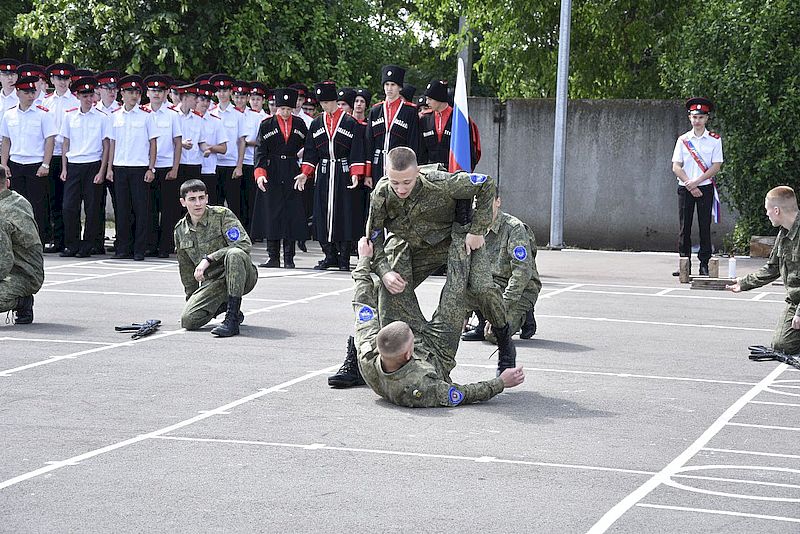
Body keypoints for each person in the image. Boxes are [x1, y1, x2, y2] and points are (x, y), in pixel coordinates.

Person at [328, 146, 517, 387]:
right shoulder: (382, 194)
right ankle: (369, 358)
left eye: (407, 181)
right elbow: (373, 239)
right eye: (395, 183)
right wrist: (385, 273)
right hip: (411, 246)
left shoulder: (442, 182)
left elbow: (486, 184)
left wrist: (477, 230)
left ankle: (504, 342)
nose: (401, 189)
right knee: (380, 290)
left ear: (417, 171)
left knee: (482, 289)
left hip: (453, 240)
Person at [351, 236, 525, 407]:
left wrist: (364, 259)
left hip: (405, 344)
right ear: (408, 354)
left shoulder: (368, 353)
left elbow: (362, 302)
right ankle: (466, 233)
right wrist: (501, 382)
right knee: (457, 286)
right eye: (412, 339)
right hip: (439, 351)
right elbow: (463, 393)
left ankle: (414, 231)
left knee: (395, 265)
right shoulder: (420, 387)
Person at [295, 81, 366, 271]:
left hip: (342, 172)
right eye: (322, 103)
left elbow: (357, 150)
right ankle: (329, 255)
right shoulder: (317, 123)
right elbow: (310, 152)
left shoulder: (351, 123)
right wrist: (305, 173)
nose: (325, 106)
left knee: (343, 214)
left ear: (335, 100)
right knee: (322, 214)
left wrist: (355, 173)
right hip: (325, 173)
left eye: (327, 102)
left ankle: (343, 257)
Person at [174, 179, 258, 337]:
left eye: (201, 198)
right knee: (189, 320)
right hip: (214, 282)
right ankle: (223, 304)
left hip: (242, 276)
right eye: (192, 199)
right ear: (183, 202)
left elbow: (244, 245)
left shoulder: (222, 215)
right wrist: (193, 300)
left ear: (207, 198)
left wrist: (209, 259)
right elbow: (186, 270)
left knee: (235, 253)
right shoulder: (180, 230)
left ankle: (232, 319)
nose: (198, 203)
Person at [727, 186, 800, 354]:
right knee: (782, 346)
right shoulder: (784, 234)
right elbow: (772, 268)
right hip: (796, 299)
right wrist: (743, 283)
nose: (766, 214)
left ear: (776, 210)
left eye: (767, 210)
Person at [461, 195, 542, 341]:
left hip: (519, 289)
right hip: (491, 286)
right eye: (478, 203)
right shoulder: (473, 227)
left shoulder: (514, 228)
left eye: (487, 202)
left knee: (496, 336)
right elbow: (466, 269)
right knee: (452, 309)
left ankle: (525, 314)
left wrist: (501, 309)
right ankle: (481, 323)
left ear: (498, 201)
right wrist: (463, 314)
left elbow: (522, 272)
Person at [251, 87, 308, 268]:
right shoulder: (266, 125)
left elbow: (309, 147)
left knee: (290, 214)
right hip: (272, 171)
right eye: (282, 109)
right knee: (272, 214)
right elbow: (259, 152)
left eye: (288, 109)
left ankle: (289, 257)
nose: (285, 113)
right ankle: (273, 256)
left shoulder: (299, 124)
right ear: (276, 108)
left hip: (292, 170)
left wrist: (305, 170)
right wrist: (260, 175)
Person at [59, 76, 112, 258]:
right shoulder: (69, 116)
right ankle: (72, 244)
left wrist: (102, 171)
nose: (89, 99)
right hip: (74, 165)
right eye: (85, 96)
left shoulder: (102, 118)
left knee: (92, 208)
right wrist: (64, 168)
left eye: (91, 95)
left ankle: (88, 245)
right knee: (69, 207)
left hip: (93, 165)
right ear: (77, 96)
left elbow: (106, 146)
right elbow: (65, 143)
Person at [0, 76, 57, 245]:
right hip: (16, 163)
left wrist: (45, 164)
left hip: (36, 164)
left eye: (33, 92)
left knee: (38, 205)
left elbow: (50, 140)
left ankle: (40, 239)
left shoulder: (43, 114)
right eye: (27, 92)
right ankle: (18, 240)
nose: (31, 96)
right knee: (16, 205)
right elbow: (6, 140)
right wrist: (4, 164)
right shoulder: (9, 114)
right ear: (18, 93)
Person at [106, 75, 157, 260]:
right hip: (120, 167)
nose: (134, 95)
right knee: (122, 210)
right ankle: (123, 248)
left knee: (141, 209)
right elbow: (112, 143)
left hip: (139, 167)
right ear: (122, 93)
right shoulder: (115, 116)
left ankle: (139, 249)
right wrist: (109, 168)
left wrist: (151, 168)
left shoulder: (146, 116)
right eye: (130, 92)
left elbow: (153, 144)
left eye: (136, 92)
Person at [672, 97, 723, 277]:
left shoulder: (715, 140)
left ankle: (704, 264)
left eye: (701, 117)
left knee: (704, 227)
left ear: (706, 118)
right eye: (694, 117)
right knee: (684, 227)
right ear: (689, 118)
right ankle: (684, 263)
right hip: (685, 188)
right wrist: (689, 183)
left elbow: (716, 166)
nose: (697, 121)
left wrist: (697, 182)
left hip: (705, 187)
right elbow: (676, 166)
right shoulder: (683, 140)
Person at [143, 74, 182, 258]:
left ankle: (165, 246)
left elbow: (178, 143)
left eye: (160, 91)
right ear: (147, 93)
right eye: (153, 90)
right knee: (149, 208)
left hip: (166, 166)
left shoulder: (173, 114)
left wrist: (175, 168)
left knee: (168, 210)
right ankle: (150, 244)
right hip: (147, 166)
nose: (156, 94)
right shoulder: (143, 112)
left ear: (166, 92)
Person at [42, 63, 80, 254]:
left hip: (70, 156)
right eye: (58, 79)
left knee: (70, 202)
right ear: (52, 80)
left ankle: (71, 239)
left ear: (70, 80)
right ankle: (57, 240)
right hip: (51, 154)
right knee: (54, 199)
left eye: (65, 79)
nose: (62, 82)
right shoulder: (45, 102)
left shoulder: (75, 102)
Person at [364, 65, 420, 184]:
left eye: (393, 85)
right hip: (377, 164)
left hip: (399, 164)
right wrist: (368, 173)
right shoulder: (375, 110)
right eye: (387, 84)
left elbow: (413, 142)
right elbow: (369, 142)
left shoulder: (409, 111)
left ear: (399, 87)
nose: (389, 88)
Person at [0, 176, 44, 324]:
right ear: (7, 183)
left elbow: (4, 262)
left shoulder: (2, 213)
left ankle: (22, 302)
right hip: (30, 269)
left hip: (22, 273)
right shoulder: (18, 199)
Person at [418, 79, 481, 171]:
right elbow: (421, 150)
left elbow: (470, 150)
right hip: (430, 172)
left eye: (430, 99)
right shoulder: (425, 119)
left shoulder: (459, 120)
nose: (427, 102)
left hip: (454, 172)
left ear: (439, 98)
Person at [209, 74, 246, 218]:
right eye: (219, 90)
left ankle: (234, 238)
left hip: (231, 164)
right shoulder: (211, 113)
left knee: (234, 205)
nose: (222, 94)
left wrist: (239, 166)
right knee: (214, 204)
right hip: (214, 164)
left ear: (231, 92)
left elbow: (242, 141)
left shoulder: (238, 114)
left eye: (225, 90)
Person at [194, 83, 228, 205]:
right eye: (202, 99)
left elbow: (224, 148)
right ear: (195, 99)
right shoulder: (187, 119)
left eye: (208, 100)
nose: (205, 103)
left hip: (208, 169)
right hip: (189, 167)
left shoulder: (216, 121)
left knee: (209, 206)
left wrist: (209, 148)